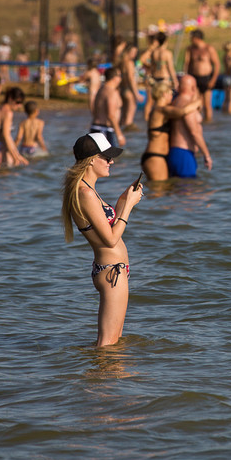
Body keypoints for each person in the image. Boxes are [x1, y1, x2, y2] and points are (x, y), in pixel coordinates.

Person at [62, 132, 143, 347]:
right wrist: (129, 207)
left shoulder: (88, 190)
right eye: (106, 157)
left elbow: (105, 226)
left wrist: (123, 199)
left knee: (113, 343)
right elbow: (110, 239)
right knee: (107, 345)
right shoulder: (85, 193)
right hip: (111, 270)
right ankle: (97, 380)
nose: (111, 161)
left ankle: (103, 379)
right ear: (90, 160)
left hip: (113, 269)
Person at [167, 75, 213, 177]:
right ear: (193, 88)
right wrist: (207, 155)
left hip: (174, 152)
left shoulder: (175, 102)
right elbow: (194, 132)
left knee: (178, 189)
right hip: (184, 153)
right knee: (188, 189)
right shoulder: (188, 105)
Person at [91, 68, 126, 148]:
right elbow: (111, 115)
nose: (121, 79)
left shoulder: (102, 89)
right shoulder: (111, 92)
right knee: (108, 158)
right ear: (115, 78)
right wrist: (119, 135)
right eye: (120, 76)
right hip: (104, 129)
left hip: (97, 127)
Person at [0, 86, 30, 167]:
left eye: (21, 103)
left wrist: (17, 155)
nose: (19, 105)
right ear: (10, 98)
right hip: (1, 149)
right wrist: (15, 157)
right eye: (18, 102)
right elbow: (6, 135)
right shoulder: (8, 113)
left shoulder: (0, 108)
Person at [118, 45, 139, 130]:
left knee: (123, 116)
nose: (134, 55)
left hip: (122, 89)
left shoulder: (121, 62)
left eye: (136, 53)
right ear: (127, 52)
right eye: (133, 52)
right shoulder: (130, 63)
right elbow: (131, 78)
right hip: (129, 90)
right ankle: (129, 138)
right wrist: (136, 93)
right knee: (129, 120)